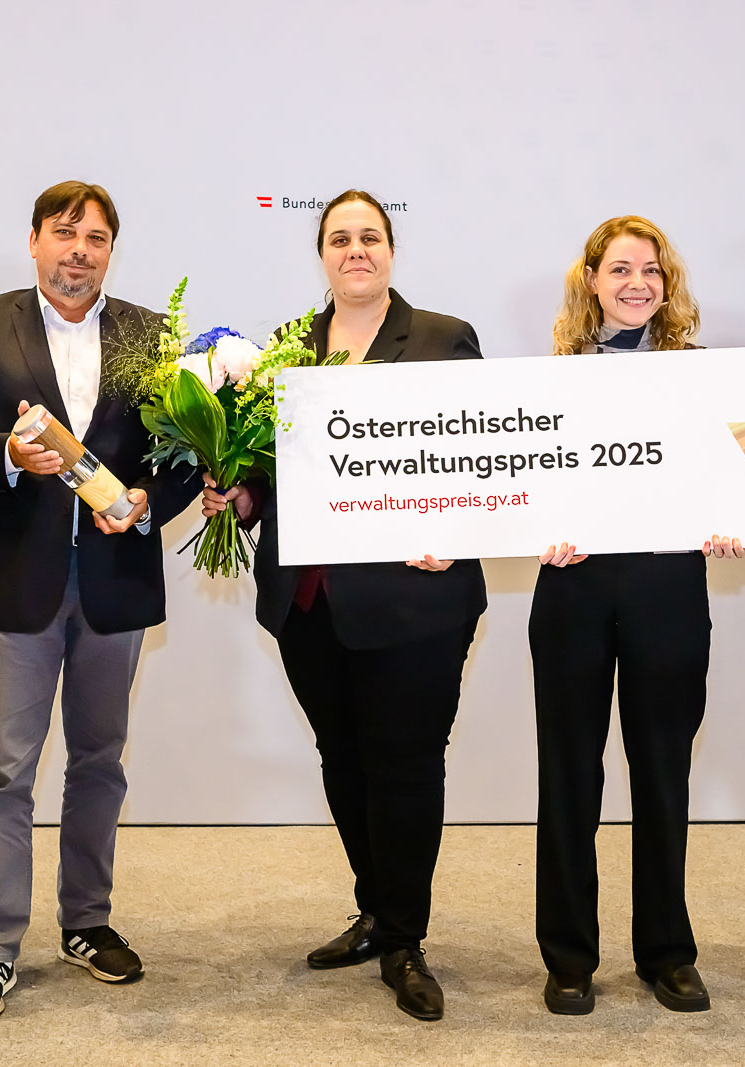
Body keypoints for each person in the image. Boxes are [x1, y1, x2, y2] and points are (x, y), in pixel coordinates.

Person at [202, 189, 485, 1022]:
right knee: (343, 756)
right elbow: (270, 471)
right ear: (322, 255)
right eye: (339, 238)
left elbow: (478, 448)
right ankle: (376, 907)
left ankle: (404, 938)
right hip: (309, 599)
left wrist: (457, 529)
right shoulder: (287, 350)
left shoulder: (441, 338)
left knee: (406, 763)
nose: (355, 249)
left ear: (390, 250)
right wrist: (240, 498)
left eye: (369, 236)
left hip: (414, 598)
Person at [0, 181, 200, 1021]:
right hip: (24, 582)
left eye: (96, 237)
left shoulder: (151, 335)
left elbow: (184, 454)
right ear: (35, 241)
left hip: (117, 584)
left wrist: (150, 500)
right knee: (4, 769)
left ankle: (86, 921)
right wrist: (8, 455)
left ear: (111, 250)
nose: (79, 250)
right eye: (64, 232)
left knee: (99, 762)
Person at [529, 216, 741, 1016]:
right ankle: (568, 957)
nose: (637, 284)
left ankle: (667, 952)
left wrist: (733, 519)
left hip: (667, 586)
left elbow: (731, 478)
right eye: (620, 269)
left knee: (662, 773)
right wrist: (536, 528)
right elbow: (524, 487)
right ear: (591, 279)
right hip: (573, 588)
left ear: (666, 283)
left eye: (651, 271)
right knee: (568, 776)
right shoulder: (550, 381)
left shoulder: (702, 376)